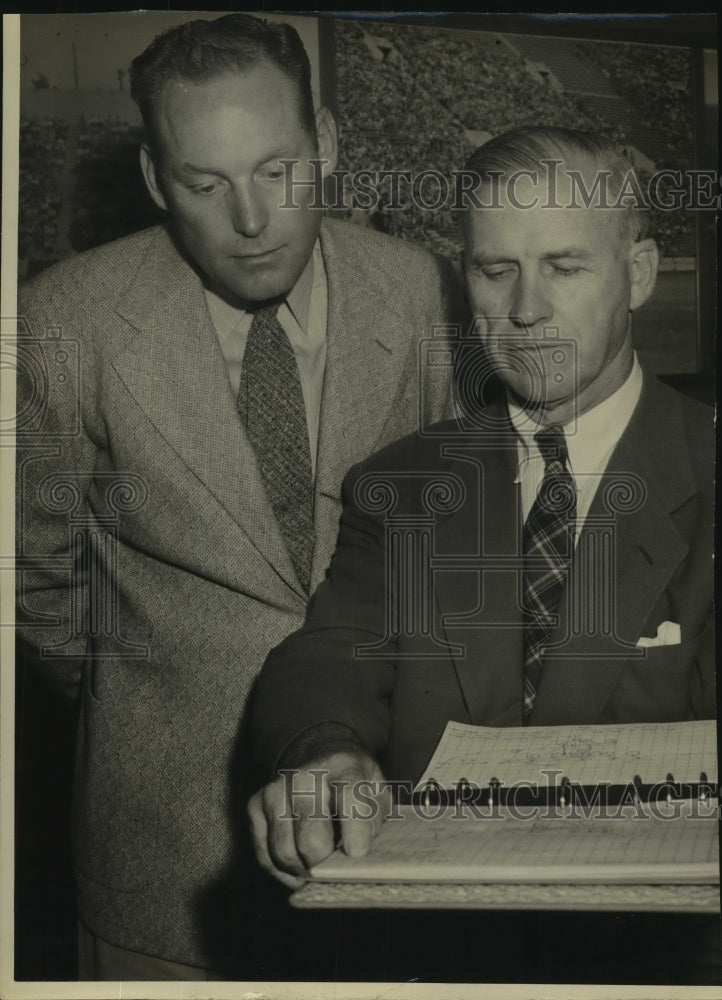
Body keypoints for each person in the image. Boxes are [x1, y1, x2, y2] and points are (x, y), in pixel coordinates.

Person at [15, 13, 465, 980]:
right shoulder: (62, 321)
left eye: (277, 169)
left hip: (387, 833)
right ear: (153, 179)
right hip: (162, 862)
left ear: (326, 143)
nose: (253, 220)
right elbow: (39, 582)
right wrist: (157, 695)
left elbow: (455, 532)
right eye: (206, 183)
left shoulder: (423, 291)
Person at [248, 126, 717, 984]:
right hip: (442, 962)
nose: (526, 309)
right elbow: (329, 655)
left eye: (564, 267)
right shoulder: (401, 484)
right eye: (495, 270)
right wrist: (326, 750)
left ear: (639, 274)